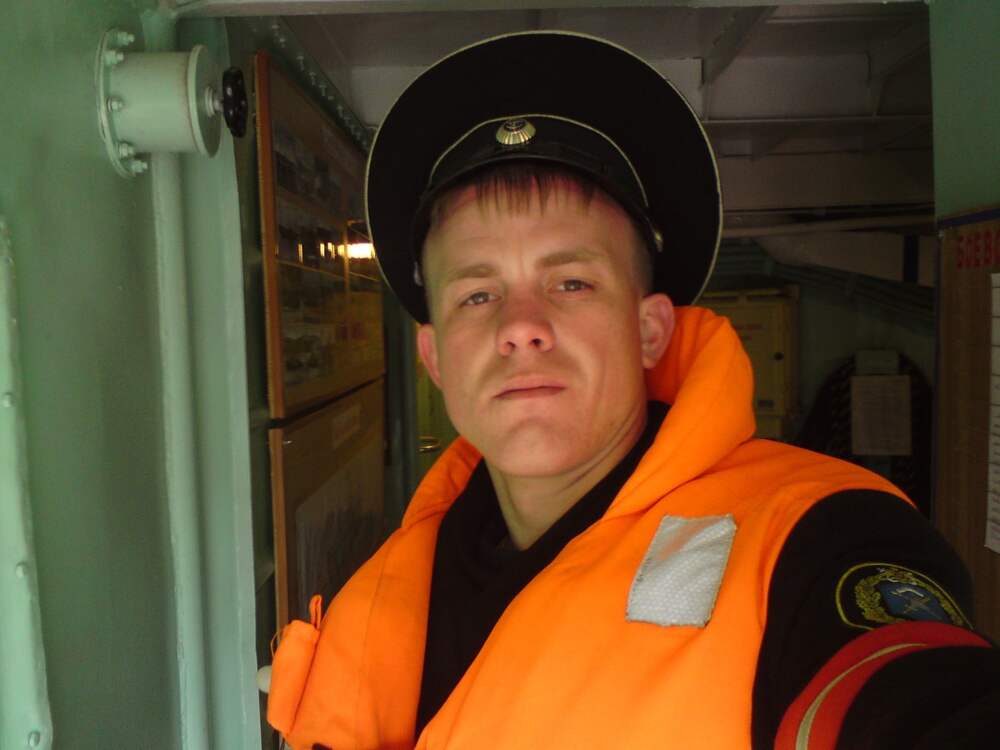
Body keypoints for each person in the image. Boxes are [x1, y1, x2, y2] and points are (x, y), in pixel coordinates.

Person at [266, 32, 999, 749]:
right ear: (434, 357)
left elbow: (915, 698)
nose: (521, 328)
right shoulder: (383, 588)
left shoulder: (814, 537)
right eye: (477, 295)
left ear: (649, 332)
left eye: (571, 283)